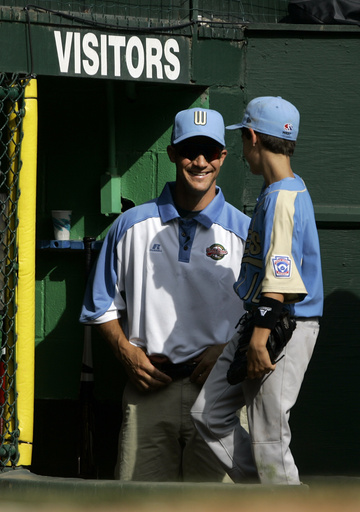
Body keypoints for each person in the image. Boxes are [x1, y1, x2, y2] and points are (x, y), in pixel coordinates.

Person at [79, 107, 251, 482]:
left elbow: (264, 314)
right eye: (190, 150)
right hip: (149, 391)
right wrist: (127, 354)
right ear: (172, 153)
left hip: (219, 393)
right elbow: (100, 306)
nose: (200, 161)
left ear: (223, 156)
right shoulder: (130, 226)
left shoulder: (246, 233)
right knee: (139, 505)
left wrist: (227, 351)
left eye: (210, 151)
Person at [191, 96, 324, 485]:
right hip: (263, 319)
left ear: (251, 137)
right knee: (208, 414)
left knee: (269, 437)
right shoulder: (282, 190)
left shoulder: (283, 197)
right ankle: (268, 495)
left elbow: (280, 281)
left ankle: (282, 503)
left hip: (283, 323)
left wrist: (259, 339)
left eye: (243, 140)